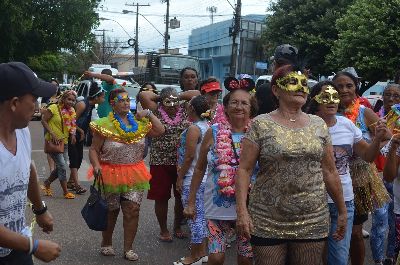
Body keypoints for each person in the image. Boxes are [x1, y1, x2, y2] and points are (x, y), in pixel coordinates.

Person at [235, 65, 347, 265]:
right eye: (293, 82)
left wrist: (342, 211)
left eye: (304, 84)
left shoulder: (318, 124)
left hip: (312, 218)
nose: (301, 88)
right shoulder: (261, 123)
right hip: (267, 217)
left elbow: (330, 171)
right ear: (276, 90)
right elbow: (244, 169)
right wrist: (242, 212)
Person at [307, 81, 387, 265]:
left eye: (335, 96)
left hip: (343, 200)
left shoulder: (346, 125)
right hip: (311, 200)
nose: (332, 100)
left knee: (339, 259)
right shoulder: (305, 126)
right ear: (315, 100)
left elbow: (367, 156)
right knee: (311, 256)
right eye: (325, 96)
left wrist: (378, 139)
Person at [184, 77, 258, 265]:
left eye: (244, 103)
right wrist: (191, 202)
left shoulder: (258, 132)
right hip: (216, 206)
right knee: (216, 258)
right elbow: (199, 168)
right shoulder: (214, 131)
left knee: (245, 258)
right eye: (234, 102)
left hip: (249, 206)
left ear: (251, 108)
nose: (239, 107)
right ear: (225, 107)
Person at [88, 88, 164, 261]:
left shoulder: (140, 123)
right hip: (110, 172)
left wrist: (149, 113)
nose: (125, 103)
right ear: (112, 103)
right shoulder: (104, 124)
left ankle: (128, 248)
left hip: (135, 172)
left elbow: (160, 130)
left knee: (133, 210)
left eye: (127, 100)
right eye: (121, 100)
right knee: (111, 210)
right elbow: (93, 150)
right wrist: (96, 165)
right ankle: (106, 243)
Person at [0, 62, 61, 264]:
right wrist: (33, 246)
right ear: (15, 103)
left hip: (17, 245)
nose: (37, 106)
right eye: (34, 99)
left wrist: (39, 208)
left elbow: (28, 168)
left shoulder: (22, 131)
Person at [332, 71, 391, 265]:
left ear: (355, 87)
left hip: (359, 180)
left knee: (356, 233)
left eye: (348, 85)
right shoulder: (327, 111)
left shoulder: (364, 111)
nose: (344, 90)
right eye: (339, 86)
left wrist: (371, 150)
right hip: (332, 178)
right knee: (332, 232)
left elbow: (387, 136)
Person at [139, 87, 200, 242]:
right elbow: (143, 95)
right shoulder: (156, 110)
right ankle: (164, 229)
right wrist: (163, 97)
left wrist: (176, 96)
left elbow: (197, 94)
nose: (172, 105)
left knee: (181, 197)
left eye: (175, 102)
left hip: (182, 162)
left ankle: (177, 226)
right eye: (168, 102)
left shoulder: (186, 109)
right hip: (160, 160)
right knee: (161, 197)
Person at [174, 95, 211, 265]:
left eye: (188, 106)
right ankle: (202, 253)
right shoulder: (209, 126)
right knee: (201, 217)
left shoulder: (194, 129)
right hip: (206, 179)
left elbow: (189, 156)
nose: (186, 109)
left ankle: (194, 256)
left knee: (194, 217)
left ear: (193, 109)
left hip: (192, 178)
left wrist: (180, 177)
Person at [374, 84, 400, 265]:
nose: (391, 99)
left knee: (394, 222)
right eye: (388, 94)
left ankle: (391, 256)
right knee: (380, 222)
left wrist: (390, 137)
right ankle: (378, 260)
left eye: (396, 96)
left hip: (394, 178)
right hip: (378, 176)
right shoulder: (375, 118)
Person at [66, 81, 106, 194]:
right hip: (72, 134)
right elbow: (71, 121)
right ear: (97, 96)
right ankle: (77, 185)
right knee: (74, 159)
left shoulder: (92, 106)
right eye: (102, 97)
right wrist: (76, 133)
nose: (104, 99)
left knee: (78, 159)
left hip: (79, 135)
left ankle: (70, 182)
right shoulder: (82, 104)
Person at [41, 90, 78, 199]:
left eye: (73, 100)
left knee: (62, 166)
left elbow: (72, 125)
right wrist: (52, 133)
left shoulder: (72, 110)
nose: (71, 102)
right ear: (63, 98)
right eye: (69, 99)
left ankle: (47, 182)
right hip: (53, 142)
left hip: (64, 142)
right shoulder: (53, 107)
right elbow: (43, 121)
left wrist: (73, 135)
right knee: (62, 166)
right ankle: (65, 191)